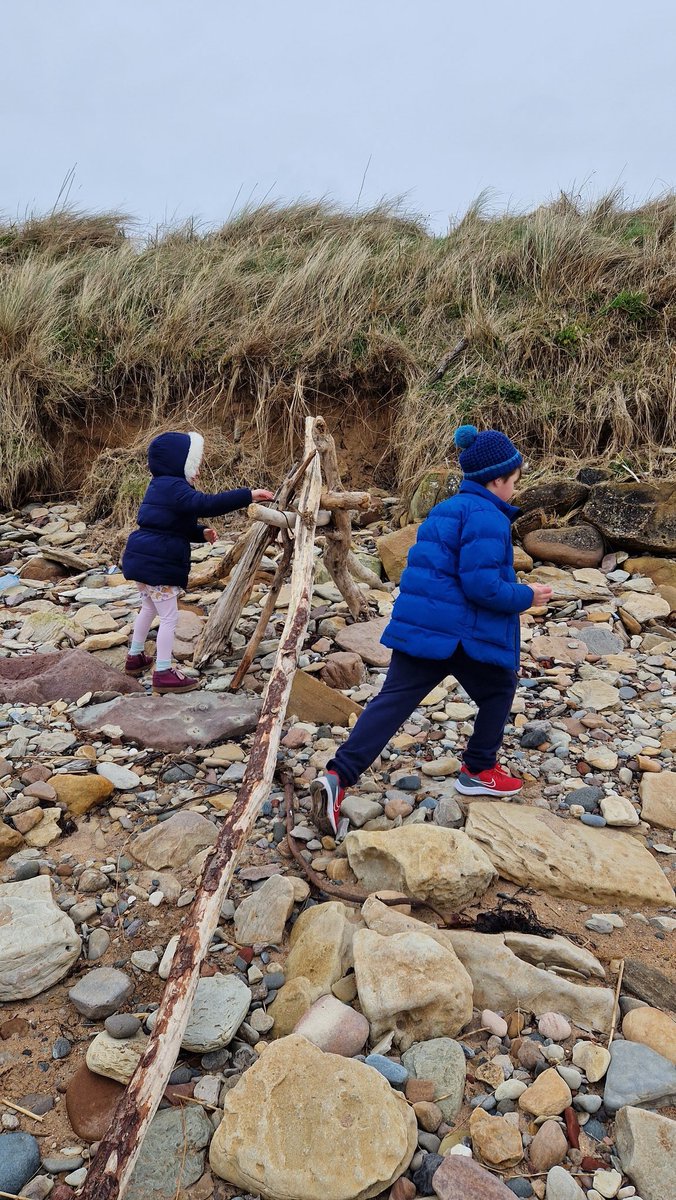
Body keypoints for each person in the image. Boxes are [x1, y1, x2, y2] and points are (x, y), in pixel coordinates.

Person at [311, 424, 552, 834]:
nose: (515, 488)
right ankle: (478, 768)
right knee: (498, 689)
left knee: (392, 702)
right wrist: (527, 596)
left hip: (421, 626)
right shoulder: (488, 517)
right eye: (513, 481)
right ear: (496, 480)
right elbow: (482, 587)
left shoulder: (446, 509)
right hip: (458, 634)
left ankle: (337, 776)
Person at [122, 431, 273, 693]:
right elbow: (206, 504)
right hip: (158, 562)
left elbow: (169, 523)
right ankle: (163, 671)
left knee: (148, 608)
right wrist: (247, 495)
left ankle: (135, 657)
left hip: (140, 555)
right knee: (169, 617)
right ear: (179, 462)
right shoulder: (176, 487)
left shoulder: (159, 485)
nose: (199, 471)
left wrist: (199, 533)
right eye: (195, 465)